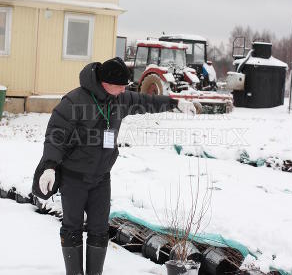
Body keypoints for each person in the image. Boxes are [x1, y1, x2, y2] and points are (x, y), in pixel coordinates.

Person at [33, 57, 196, 275]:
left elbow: (147, 101)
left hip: (101, 178)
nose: (124, 90)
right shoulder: (74, 101)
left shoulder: (119, 99)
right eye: (121, 86)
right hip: (74, 178)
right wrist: (50, 166)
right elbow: (55, 135)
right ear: (106, 83)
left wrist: (174, 103)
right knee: (72, 229)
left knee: (99, 231)